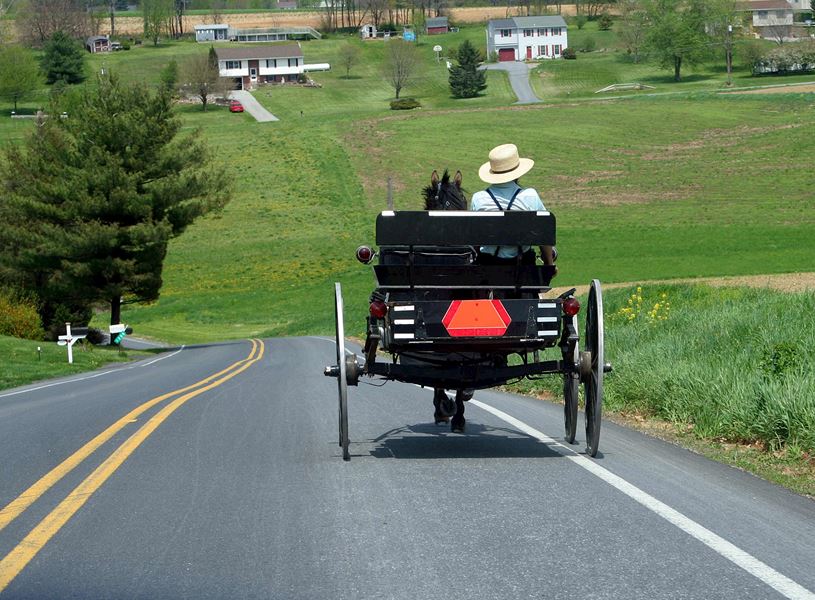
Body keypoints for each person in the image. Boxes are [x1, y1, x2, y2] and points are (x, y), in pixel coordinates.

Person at [471, 143, 556, 271]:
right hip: (523, 266)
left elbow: (474, 237)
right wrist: (549, 265)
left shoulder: (478, 198)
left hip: (487, 267)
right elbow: (543, 233)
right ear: (518, 173)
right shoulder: (530, 196)